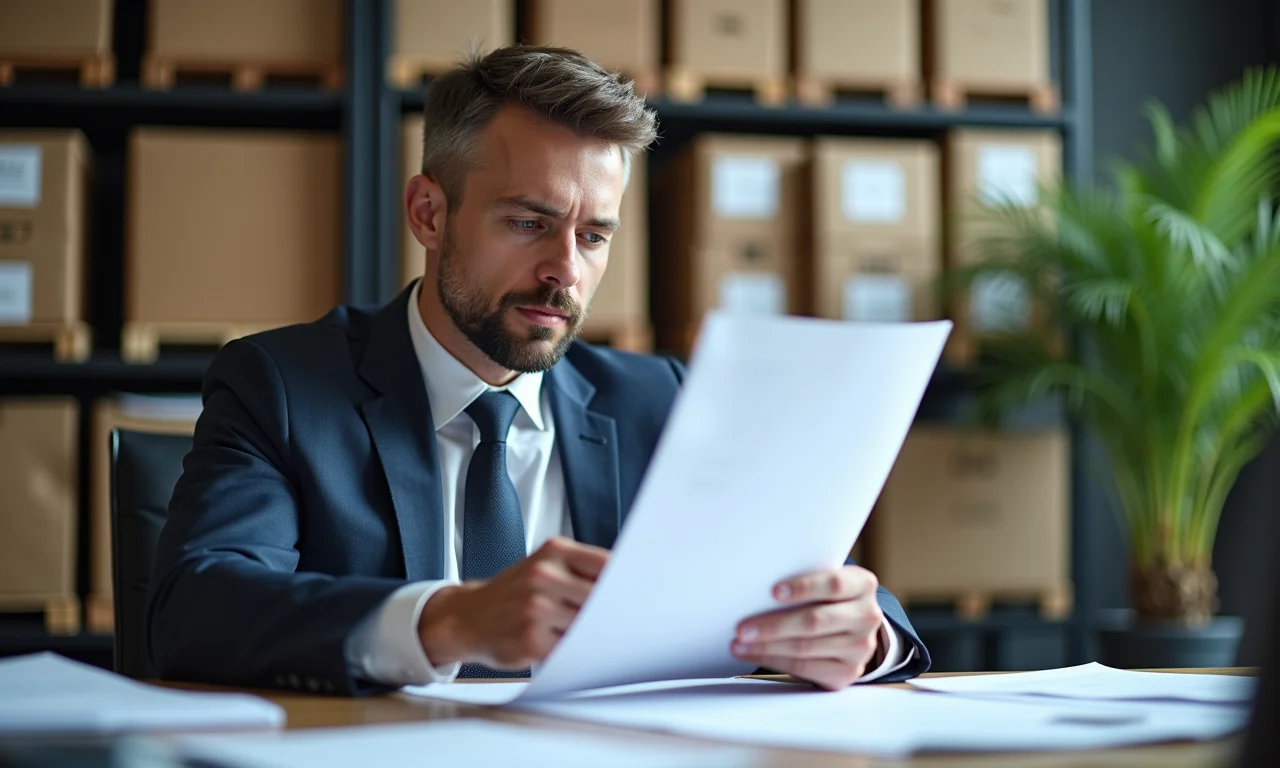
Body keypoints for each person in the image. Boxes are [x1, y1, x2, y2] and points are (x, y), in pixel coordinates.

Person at [145, 45, 931, 696]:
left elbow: (837, 590)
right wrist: (448, 620)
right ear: (428, 212)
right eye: (529, 223)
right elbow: (195, 609)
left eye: (593, 237)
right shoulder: (281, 386)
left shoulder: (660, 402)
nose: (565, 271)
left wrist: (866, 640)